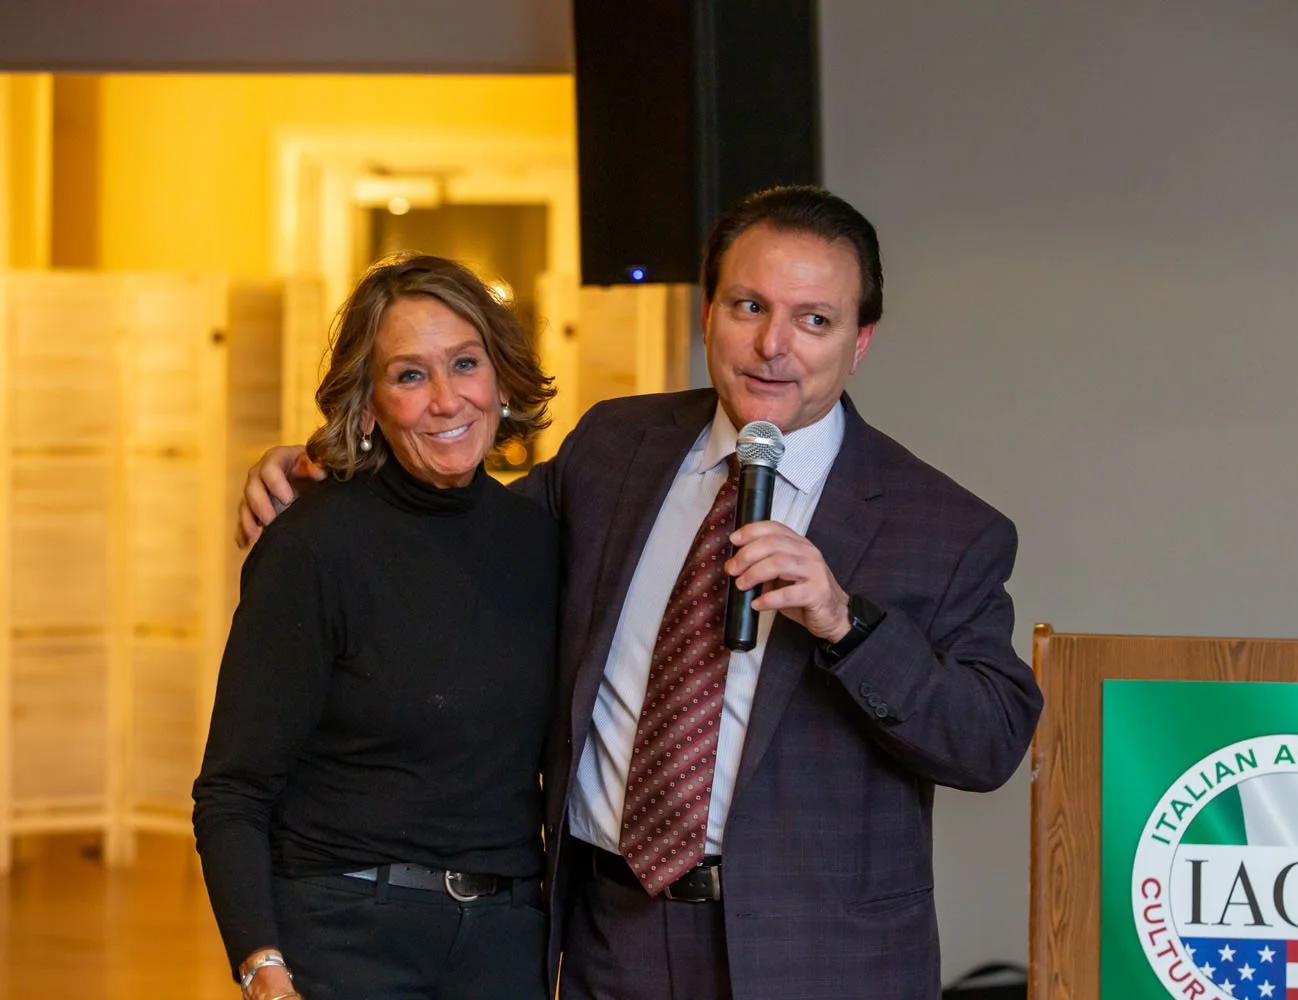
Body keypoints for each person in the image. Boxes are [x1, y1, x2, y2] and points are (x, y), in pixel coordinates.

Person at [237, 187, 1044, 1000]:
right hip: (613, 937)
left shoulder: (944, 528)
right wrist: (325, 474)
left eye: (813, 320)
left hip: (816, 959)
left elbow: (989, 743)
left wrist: (845, 623)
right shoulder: (616, 447)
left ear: (859, 341)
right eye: (749, 306)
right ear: (709, 314)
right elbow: (461, 525)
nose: (772, 345)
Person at [195, 253, 559, 1000]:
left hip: (505, 942)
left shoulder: (543, 536)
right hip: (346, 935)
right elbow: (234, 788)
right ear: (368, 405)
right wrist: (261, 967)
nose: (447, 400)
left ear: (501, 377)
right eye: (410, 375)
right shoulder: (311, 546)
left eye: (466, 363)